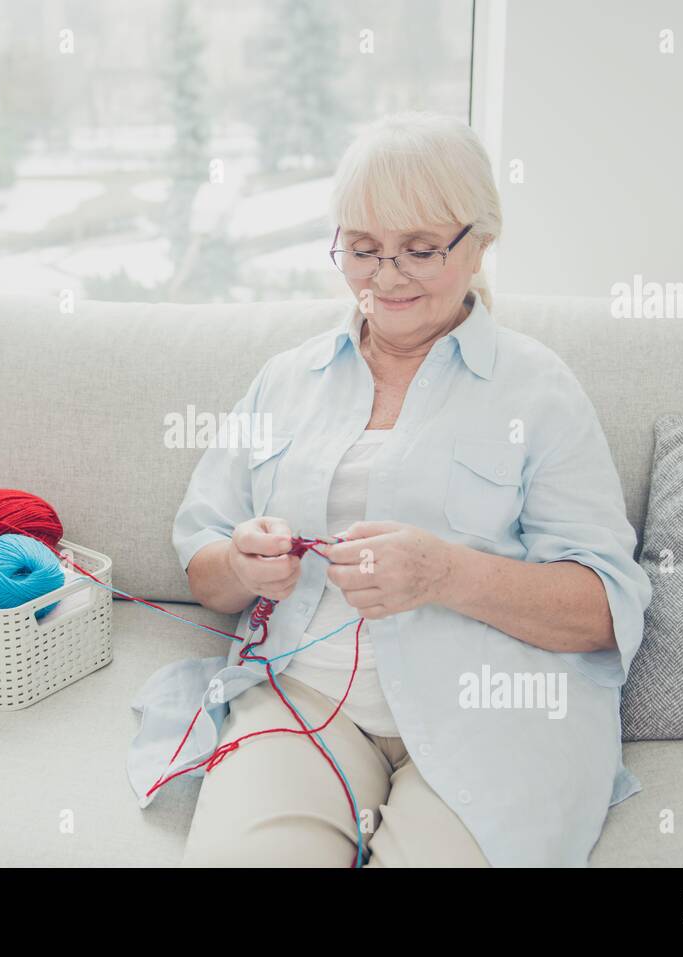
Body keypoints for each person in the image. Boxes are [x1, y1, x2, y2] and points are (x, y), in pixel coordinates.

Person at [128, 112, 652, 867]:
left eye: (420, 249)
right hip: (303, 704)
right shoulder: (286, 380)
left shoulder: (538, 391)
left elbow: (606, 610)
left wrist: (446, 573)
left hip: (492, 713)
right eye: (364, 249)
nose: (387, 276)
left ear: (479, 243)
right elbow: (204, 565)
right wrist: (243, 566)